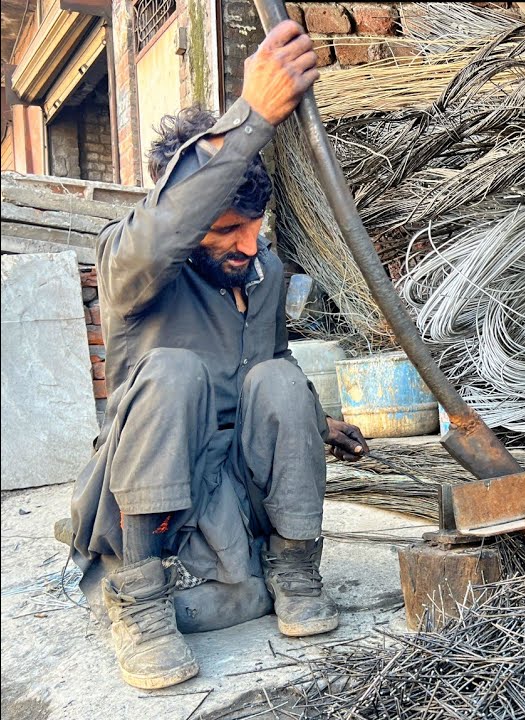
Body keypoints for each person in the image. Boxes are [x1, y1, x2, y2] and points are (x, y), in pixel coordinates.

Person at [66, 20, 368, 690]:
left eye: (255, 226)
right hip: (161, 514)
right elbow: (162, 231)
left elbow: (258, 389)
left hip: (239, 506)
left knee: (282, 378)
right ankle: (142, 607)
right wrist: (253, 114)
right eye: (228, 228)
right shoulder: (132, 267)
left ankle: (293, 571)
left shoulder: (258, 274)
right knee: (175, 371)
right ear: (186, 218)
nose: (248, 243)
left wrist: (311, 426)